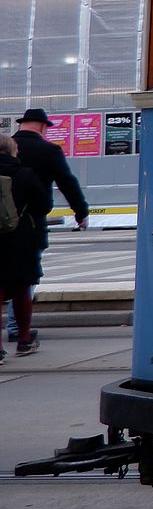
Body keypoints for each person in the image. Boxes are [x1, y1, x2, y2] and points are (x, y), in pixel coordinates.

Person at [12, 108, 87, 356]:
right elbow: (67, 182)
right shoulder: (48, 151)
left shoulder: (6, 147)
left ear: (22, 124)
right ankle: (19, 329)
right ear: (43, 127)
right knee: (25, 276)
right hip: (30, 225)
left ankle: (13, 330)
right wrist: (80, 211)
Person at [0, 135, 50, 361]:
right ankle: (23, 340)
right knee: (21, 289)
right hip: (21, 241)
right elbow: (44, 205)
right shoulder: (26, 174)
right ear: (12, 151)